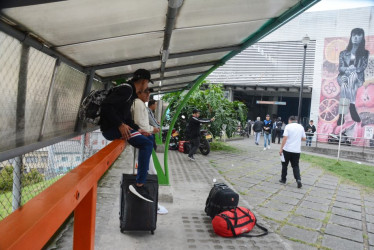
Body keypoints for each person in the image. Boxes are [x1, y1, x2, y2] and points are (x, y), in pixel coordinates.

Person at [100, 68, 155, 202]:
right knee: (146, 143)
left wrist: (138, 129)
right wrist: (119, 124)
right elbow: (106, 106)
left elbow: (126, 118)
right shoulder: (127, 90)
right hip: (111, 129)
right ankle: (140, 184)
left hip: (118, 127)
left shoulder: (131, 93)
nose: (147, 87)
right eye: (147, 84)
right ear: (144, 81)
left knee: (148, 137)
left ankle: (142, 174)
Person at [131, 90, 168, 214]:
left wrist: (149, 129)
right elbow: (139, 124)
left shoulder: (141, 105)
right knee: (150, 172)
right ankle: (149, 202)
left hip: (144, 140)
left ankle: (149, 202)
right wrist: (151, 129)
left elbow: (141, 125)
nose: (148, 96)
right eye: (145, 92)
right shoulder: (138, 103)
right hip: (143, 142)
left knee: (150, 171)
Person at [337, 28, 369, 124]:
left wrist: (354, 69)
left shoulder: (365, 53)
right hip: (343, 76)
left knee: (351, 78)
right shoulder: (343, 53)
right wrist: (347, 69)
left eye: (358, 35)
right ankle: (352, 106)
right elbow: (340, 67)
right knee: (344, 83)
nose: (355, 37)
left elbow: (363, 66)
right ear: (351, 37)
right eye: (353, 35)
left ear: (362, 38)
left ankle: (341, 115)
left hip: (357, 78)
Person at [279, 116, 306, 188]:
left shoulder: (288, 126)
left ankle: (283, 179)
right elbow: (304, 138)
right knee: (295, 165)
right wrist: (297, 138)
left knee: (284, 165)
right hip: (296, 150)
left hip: (287, 149)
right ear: (296, 120)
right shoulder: (301, 127)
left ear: (289, 120)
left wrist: (281, 148)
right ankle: (298, 179)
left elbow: (285, 138)